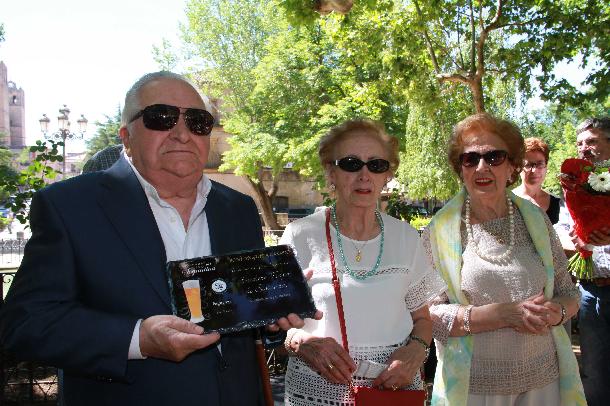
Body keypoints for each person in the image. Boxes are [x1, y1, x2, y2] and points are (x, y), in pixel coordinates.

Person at [0, 71, 309, 406]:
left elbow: (239, 314)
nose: (181, 133)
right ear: (126, 136)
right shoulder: (70, 206)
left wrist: (271, 314)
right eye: (160, 118)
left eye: (198, 121)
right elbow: (24, 324)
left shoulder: (238, 208)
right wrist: (137, 339)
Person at [280, 119, 446, 405]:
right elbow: (276, 321)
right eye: (350, 163)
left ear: (388, 174)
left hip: (392, 391)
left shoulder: (405, 236)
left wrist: (417, 351)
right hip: (317, 391)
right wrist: (301, 343)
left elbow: (423, 318)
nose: (364, 174)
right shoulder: (300, 234)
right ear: (331, 172)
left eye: (376, 165)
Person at [423, 113, 585, 405]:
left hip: (543, 382)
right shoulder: (441, 230)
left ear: (512, 166)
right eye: (470, 159)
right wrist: (501, 315)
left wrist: (555, 313)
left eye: (494, 157)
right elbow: (427, 315)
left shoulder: (535, 218)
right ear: (460, 169)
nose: (482, 167)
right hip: (474, 388)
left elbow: (569, 294)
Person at [554, 117, 610, 406]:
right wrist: (575, 239)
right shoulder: (573, 184)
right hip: (589, 291)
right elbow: (563, 227)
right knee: (594, 371)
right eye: (580, 143)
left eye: (592, 141)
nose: (584, 149)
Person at [513, 137, 561, 224]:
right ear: (518, 168)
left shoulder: (557, 203)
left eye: (540, 164)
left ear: (546, 166)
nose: (534, 170)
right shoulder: (508, 201)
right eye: (528, 165)